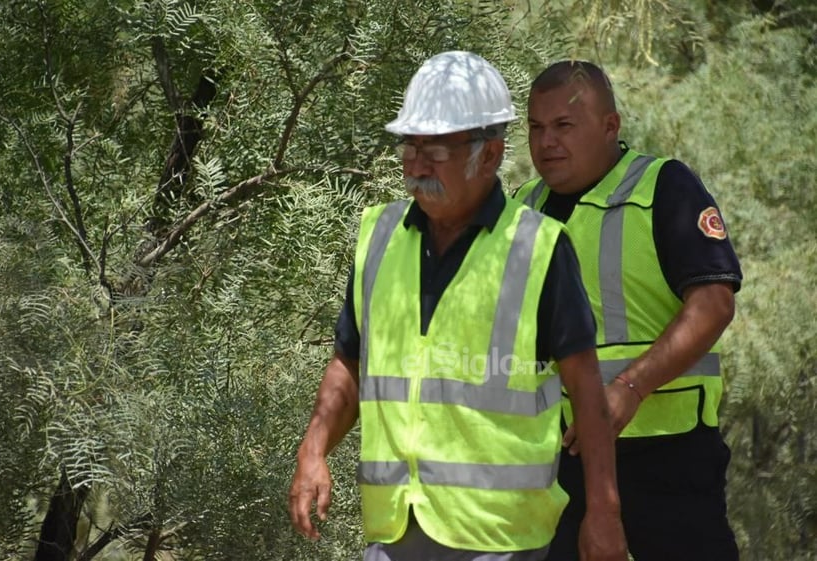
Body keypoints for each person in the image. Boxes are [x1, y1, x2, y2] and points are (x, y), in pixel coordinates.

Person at [288, 51, 628, 561]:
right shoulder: (378, 237)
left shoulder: (538, 248)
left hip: (499, 541)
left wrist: (603, 513)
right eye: (410, 144)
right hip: (394, 531)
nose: (416, 163)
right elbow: (350, 363)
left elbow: (586, 393)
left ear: (488, 155)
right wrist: (313, 449)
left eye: (436, 149)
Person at [514, 60, 742, 561]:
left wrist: (630, 387)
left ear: (610, 126)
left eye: (564, 126)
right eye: (536, 127)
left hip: (667, 456)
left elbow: (714, 303)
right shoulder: (521, 210)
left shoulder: (664, 188)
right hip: (558, 465)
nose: (546, 142)